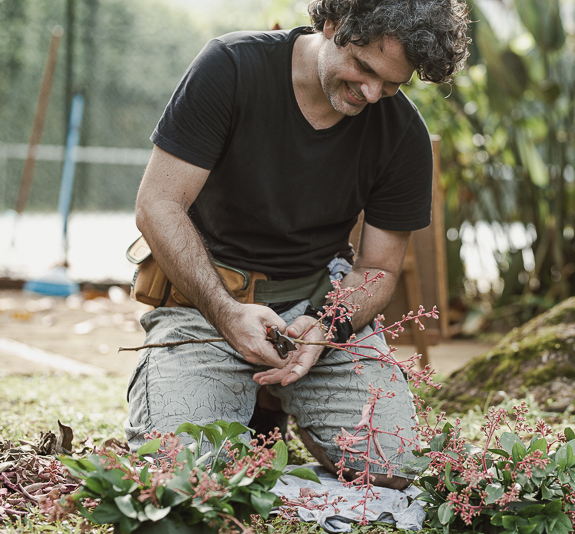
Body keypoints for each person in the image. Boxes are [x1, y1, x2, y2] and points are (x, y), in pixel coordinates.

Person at [124, 0, 469, 490]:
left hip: (313, 307)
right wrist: (225, 313)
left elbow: (378, 269)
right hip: (203, 303)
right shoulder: (232, 66)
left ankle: (274, 407)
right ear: (333, 23)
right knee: (179, 475)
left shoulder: (402, 132)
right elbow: (157, 204)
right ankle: (254, 404)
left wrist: (328, 325)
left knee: (394, 468)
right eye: (364, 68)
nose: (372, 94)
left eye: (393, 84)